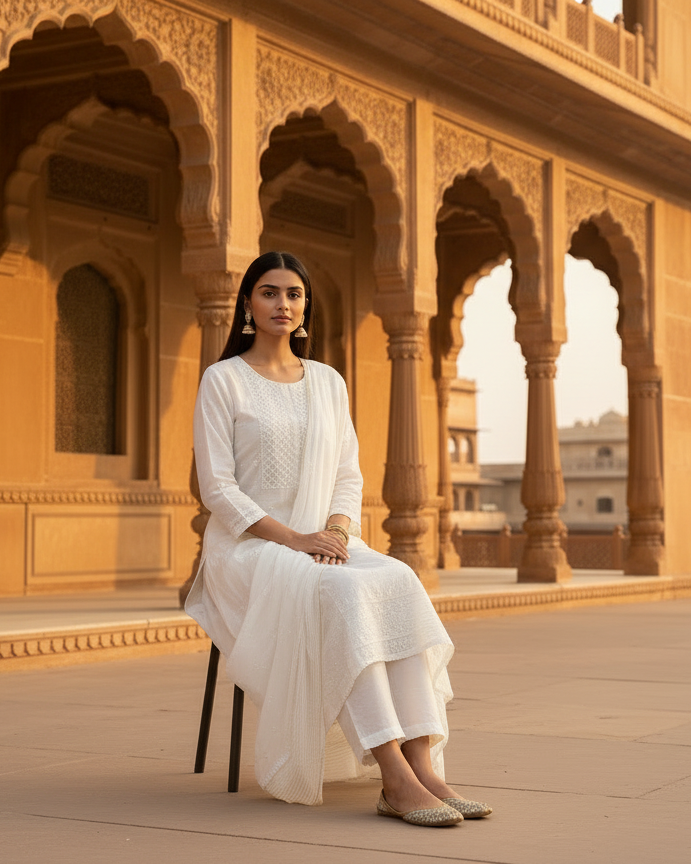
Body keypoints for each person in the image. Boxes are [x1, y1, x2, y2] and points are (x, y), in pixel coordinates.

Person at [184, 251, 492, 827]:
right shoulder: (223, 379)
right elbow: (217, 488)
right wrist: (295, 540)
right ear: (248, 304)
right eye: (270, 292)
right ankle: (393, 775)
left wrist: (334, 532)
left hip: (325, 539)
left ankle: (424, 768)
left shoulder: (327, 381)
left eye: (294, 294)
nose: (283, 304)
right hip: (250, 548)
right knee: (344, 596)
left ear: (305, 307)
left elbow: (348, 475)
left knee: (398, 579)